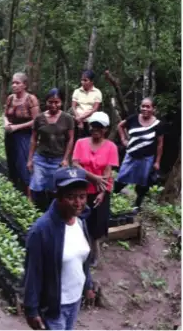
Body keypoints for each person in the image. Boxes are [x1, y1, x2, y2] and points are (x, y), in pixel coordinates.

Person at [23, 166, 95, 330]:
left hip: (75, 300)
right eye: (71, 197)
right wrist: (31, 310)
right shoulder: (41, 230)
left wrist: (88, 285)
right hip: (54, 306)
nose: (78, 203)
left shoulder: (80, 221)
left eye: (82, 196)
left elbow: (82, 259)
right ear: (59, 197)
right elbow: (33, 272)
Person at [72, 112, 118, 266]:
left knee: (97, 224)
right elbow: (76, 164)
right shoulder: (80, 143)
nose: (95, 129)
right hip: (82, 190)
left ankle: (95, 251)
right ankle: (81, 250)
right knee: (80, 220)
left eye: (100, 127)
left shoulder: (111, 147)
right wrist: (93, 178)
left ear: (105, 129)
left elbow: (107, 172)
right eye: (93, 126)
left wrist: (102, 192)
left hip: (99, 191)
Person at [27, 88, 74, 212]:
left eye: (57, 102)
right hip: (41, 158)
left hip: (57, 160)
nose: (53, 105)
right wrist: (30, 159)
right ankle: (34, 210)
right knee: (36, 185)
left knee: (55, 188)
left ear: (62, 102)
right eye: (50, 102)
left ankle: (52, 211)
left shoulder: (67, 119)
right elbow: (33, 139)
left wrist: (65, 159)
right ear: (46, 102)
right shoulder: (39, 118)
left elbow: (70, 140)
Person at [114, 97, 164, 209]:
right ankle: (113, 198)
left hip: (147, 158)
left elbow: (160, 144)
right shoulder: (133, 118)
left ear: (153, 109)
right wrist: (123, 140)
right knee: (121, 177)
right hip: (131, 155)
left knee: (142, 182)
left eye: (148, 106)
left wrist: (157, 162)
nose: (145, 109)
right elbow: (120, 126)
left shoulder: (158, 124)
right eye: (143, 106)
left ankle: (137, 205)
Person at [4, 72, 39, 196]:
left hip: (24, 136)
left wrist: (17, 127)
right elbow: (5, 114)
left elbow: (36, 120)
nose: (14, 85)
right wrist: (7, 123)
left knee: (23, 164)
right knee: (11, 161)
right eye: (13, 83)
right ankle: (14, 190)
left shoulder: (31, 99)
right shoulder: (10, 98)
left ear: (24, 85)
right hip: (10, 134)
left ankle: (28, 195)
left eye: (17, 83)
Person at [71, 70, 103, 139]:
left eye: (85, 80)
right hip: (76, 119)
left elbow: (95, 109)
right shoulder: (77, 91)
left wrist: (81, 118)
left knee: (88, 140)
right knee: (75, 139)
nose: (83, 82)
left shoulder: (97, 92)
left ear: (91, 82)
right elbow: (73, 106)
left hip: (90, 121)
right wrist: (79, 120)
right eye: (82, 80)